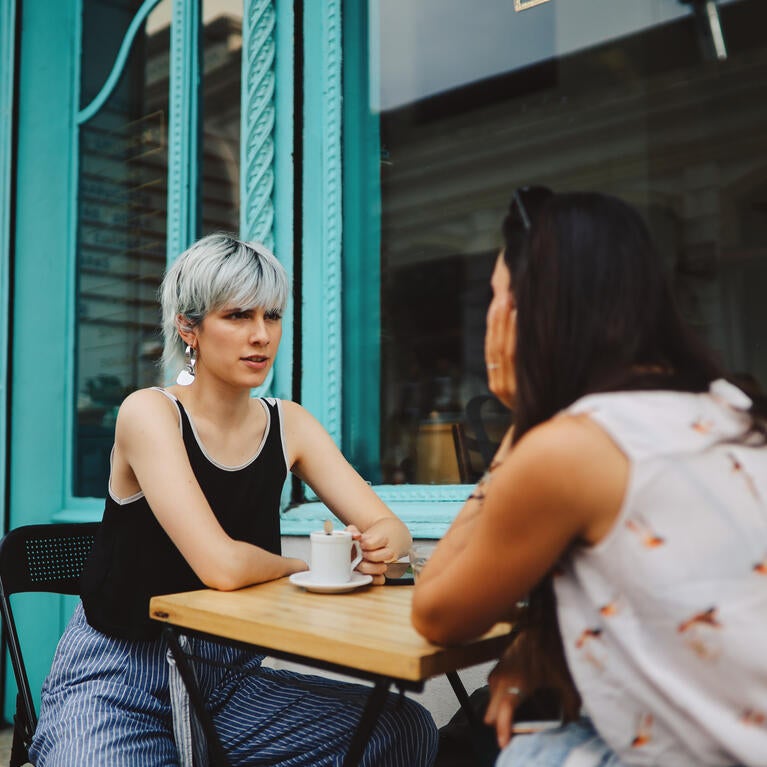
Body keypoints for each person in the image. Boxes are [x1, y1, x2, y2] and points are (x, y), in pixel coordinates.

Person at [30, 233, 438, 767]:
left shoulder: (289, 423)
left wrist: (381, 547)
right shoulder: (149, 413)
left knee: (402, 728)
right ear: (188, 326)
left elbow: (391, 529)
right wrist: (310, 566)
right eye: (238, 316)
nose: (261, 335)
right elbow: (220, 565)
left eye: (272, 316)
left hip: (227, 678)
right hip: (120, 676)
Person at [412, 191, 767, 767]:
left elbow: (436, 613)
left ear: (527, 313)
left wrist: (522, 420)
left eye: (497, 297)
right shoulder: (733, 409)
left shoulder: (569, 448)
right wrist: (535, 647)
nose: (491, 316)